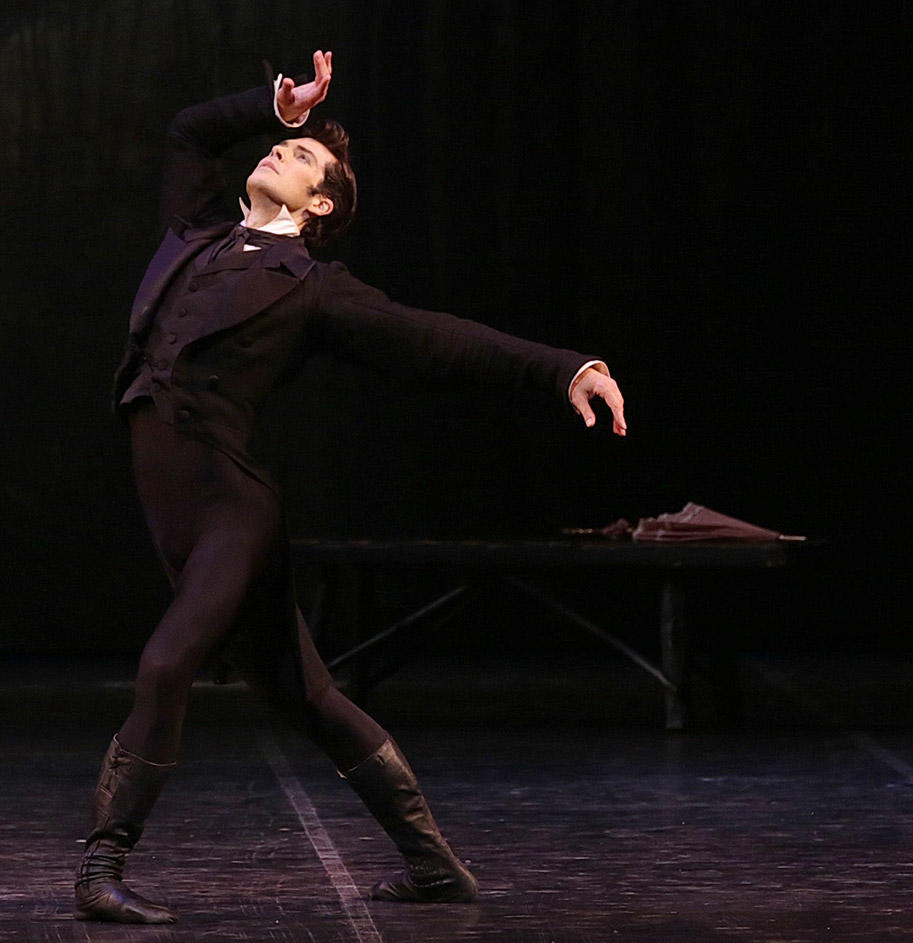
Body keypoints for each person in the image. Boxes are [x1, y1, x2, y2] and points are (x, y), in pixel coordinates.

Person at [74, 49, 627, 924]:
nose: (276, 157)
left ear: (320, 205)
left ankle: (101, 865)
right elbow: (189, 131)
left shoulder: (316, 292)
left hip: (230, 508)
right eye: (280, 150)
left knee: (167, 661)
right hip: (172, 511)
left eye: (298, 161)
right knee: (309, 696)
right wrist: (278, 109)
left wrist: (565, 369)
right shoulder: (193, 234)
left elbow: (436, 337)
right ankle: (438, 869)